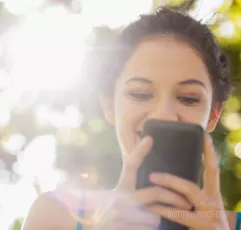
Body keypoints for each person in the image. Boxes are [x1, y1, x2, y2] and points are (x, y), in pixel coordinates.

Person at [21, 7, 241, 230]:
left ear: (214, 115)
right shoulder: (55, 216)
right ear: (109, 105)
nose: (163, 114)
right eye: (140, 94)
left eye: (188, 98)